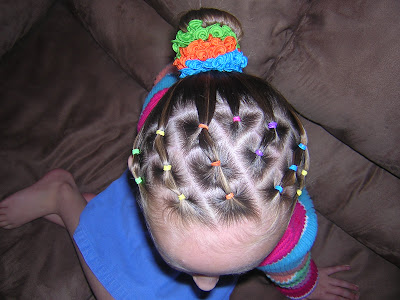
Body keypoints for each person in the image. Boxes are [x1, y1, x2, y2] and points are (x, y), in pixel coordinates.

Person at [0, 7, 359, 300]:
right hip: (151, 206)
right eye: (195, 270)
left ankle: (78, 208)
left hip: (157, 210)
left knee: (127, 234)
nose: (204, 286)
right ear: (137, 172)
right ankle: (63, 198)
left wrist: (307, 288)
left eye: (225, 270)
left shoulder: (292, 239)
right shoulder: (163, 109)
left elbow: (291, 275)